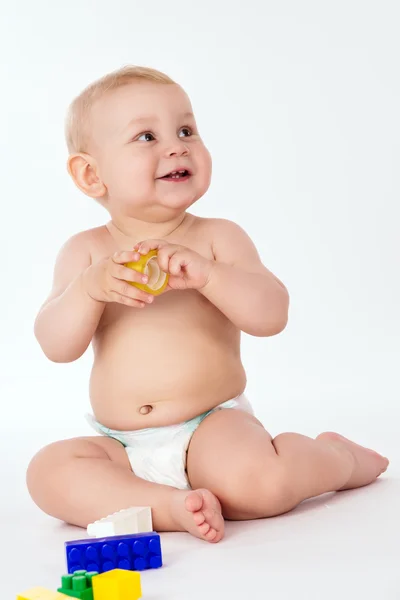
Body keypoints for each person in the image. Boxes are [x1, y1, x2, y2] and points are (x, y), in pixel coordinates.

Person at [26, 66, 389, 543]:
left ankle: (334, 459)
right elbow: (56, 345)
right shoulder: (87, 253)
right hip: (123, 445)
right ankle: (170, 507)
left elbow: (271, 315)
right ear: (92, 174)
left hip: (213, 427)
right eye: (146, 136)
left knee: (259, 487)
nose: (176, 146)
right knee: (47, 473)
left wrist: (210, 276)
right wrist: (89, 290)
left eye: (186, 130)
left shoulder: (216, 238)